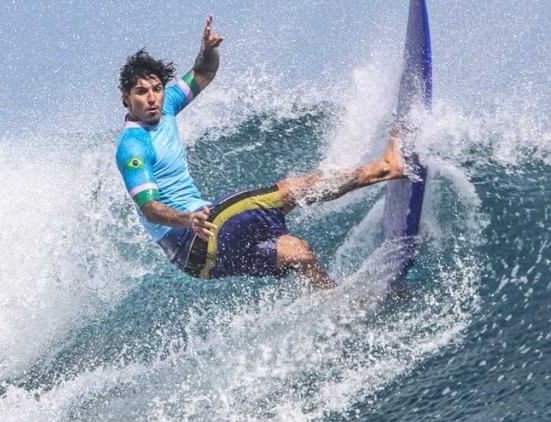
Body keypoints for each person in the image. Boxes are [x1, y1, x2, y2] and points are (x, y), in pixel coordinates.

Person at [115, 15, 405, 290]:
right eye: (141, 92)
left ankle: (336, 308)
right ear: (126, 99)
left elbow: (204, 72)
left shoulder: (166, 108)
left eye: (156, 88)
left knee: (298, 252)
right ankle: (384, 168)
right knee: (290, 190)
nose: (152, 98)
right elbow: (150, 209)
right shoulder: (133, 147)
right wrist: (187, 219)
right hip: (193, 236)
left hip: (199, 260)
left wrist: (208, 49)